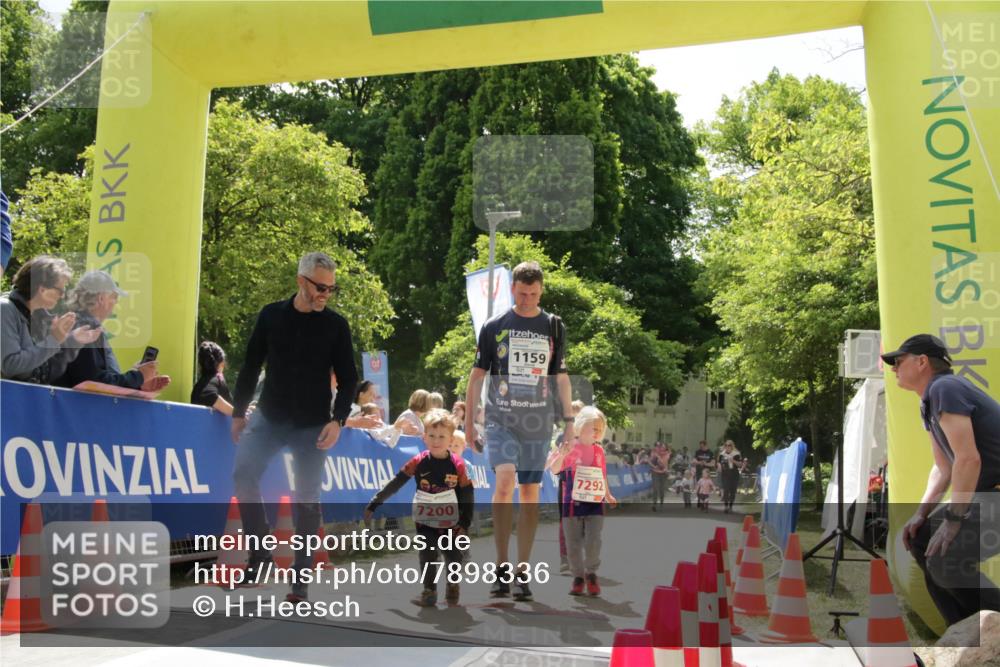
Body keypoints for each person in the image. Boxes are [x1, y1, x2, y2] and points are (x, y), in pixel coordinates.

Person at [230, 251, 358, 603]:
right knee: (243, 474)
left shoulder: (336, 325)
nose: (325, 294)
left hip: (312, 423)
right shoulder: (271, 316)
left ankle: (300, 579)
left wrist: (338, 420)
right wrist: (238, 413)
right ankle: (260, 556)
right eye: (320, 287)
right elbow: (250, 366)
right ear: (301, 281)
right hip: (269, 416)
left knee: (307, 498)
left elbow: (349, 379)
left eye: (331, 289)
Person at [464, 260, 572, 601]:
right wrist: (468, 423)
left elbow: (561, 377)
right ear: (512, 288)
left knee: (528, 493)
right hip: (501, 419)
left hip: (537, 422)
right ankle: (500, 566)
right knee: (505, 479)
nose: (527, 300)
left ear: (541, 291)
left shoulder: (553, 326)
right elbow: (476, 376)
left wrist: (569, 422)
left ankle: (522, 571)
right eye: (522, 294)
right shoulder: (494, 325)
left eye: (534, 294)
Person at [883, 334, 1000, 624]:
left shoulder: (944, 388)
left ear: (922, 362)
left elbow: (968, 459)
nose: (893, 368)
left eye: (898, 361)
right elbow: (944, 467)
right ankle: (963, 634)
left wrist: (953, 519)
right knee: (921, 539)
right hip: (988, 494)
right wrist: (921, 514)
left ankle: (983, 629)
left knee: (945, 559)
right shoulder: (930, 399)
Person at [364, 410, 474, 607]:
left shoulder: (458, 465)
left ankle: (453, 585)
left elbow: (468, 494)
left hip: (452, 520)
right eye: (432, 435)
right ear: (424, 437)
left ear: (450, 440)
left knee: (452, 554)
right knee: (427, 552)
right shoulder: (418, 461)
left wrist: (465, 523)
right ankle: (429, 590)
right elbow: (397, 482)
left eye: (441, 437)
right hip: (425, 518)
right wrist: (376, 502)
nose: (436, 441)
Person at [57, 271, 170, 393]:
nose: (116, 302)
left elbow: (99, 380)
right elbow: (94, 384)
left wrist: (139, 384)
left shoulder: (81, 325)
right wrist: (138, 376)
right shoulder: (85, 329)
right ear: (101, 298)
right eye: (114, 297)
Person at [546, 406, 616, 597]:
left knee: (594, 540)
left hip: (595, 503)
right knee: (573, 543)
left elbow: (602, 475)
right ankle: (578, 577)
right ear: (581, 426)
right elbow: (554, 469)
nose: (596, 432)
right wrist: (562, 454)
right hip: (571, 504)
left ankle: (591, 573)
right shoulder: (570, 446)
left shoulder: (599, 451)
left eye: (600, 429)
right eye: (593, 428)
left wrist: (608, 494)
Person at [2, 255, 101, 384]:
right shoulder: (5, 309)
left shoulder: (38, 317)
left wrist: (71, 340)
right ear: (42, 289)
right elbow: (10, 366)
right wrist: (55, 339)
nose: (62, 296)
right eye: (60, 290)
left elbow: (47, 370)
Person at [190, 341, 232, 414]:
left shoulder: (198, 385)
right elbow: (208, 395)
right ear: (221, 364)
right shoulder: (217, 379)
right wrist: (237, 414)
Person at [717, 440, 743, 513]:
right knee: (726, 490)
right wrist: (719, 466)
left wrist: (733, 461)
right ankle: (726, 506)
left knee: (732, 491)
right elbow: (718, 463)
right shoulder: (722, 454)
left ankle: (730, 506)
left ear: (732, 446)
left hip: (734, 474)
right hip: (725, 474)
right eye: (726, 445)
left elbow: (740, 465)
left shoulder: (736, 454)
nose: (727, 447)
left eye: (729, 445)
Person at [649, 442, 670, 511]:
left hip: (663, 473)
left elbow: (663, 463)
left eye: (663, 447)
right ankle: (654, 504)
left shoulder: (667, 454)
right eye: (661, 446)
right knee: (655, 488)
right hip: (655, 472)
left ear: (666, 448)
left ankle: (661, 502)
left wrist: (658, 456)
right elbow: (650, 461)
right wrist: (653, 464)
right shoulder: (654, 452)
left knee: (661, 489)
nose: (661, 448)